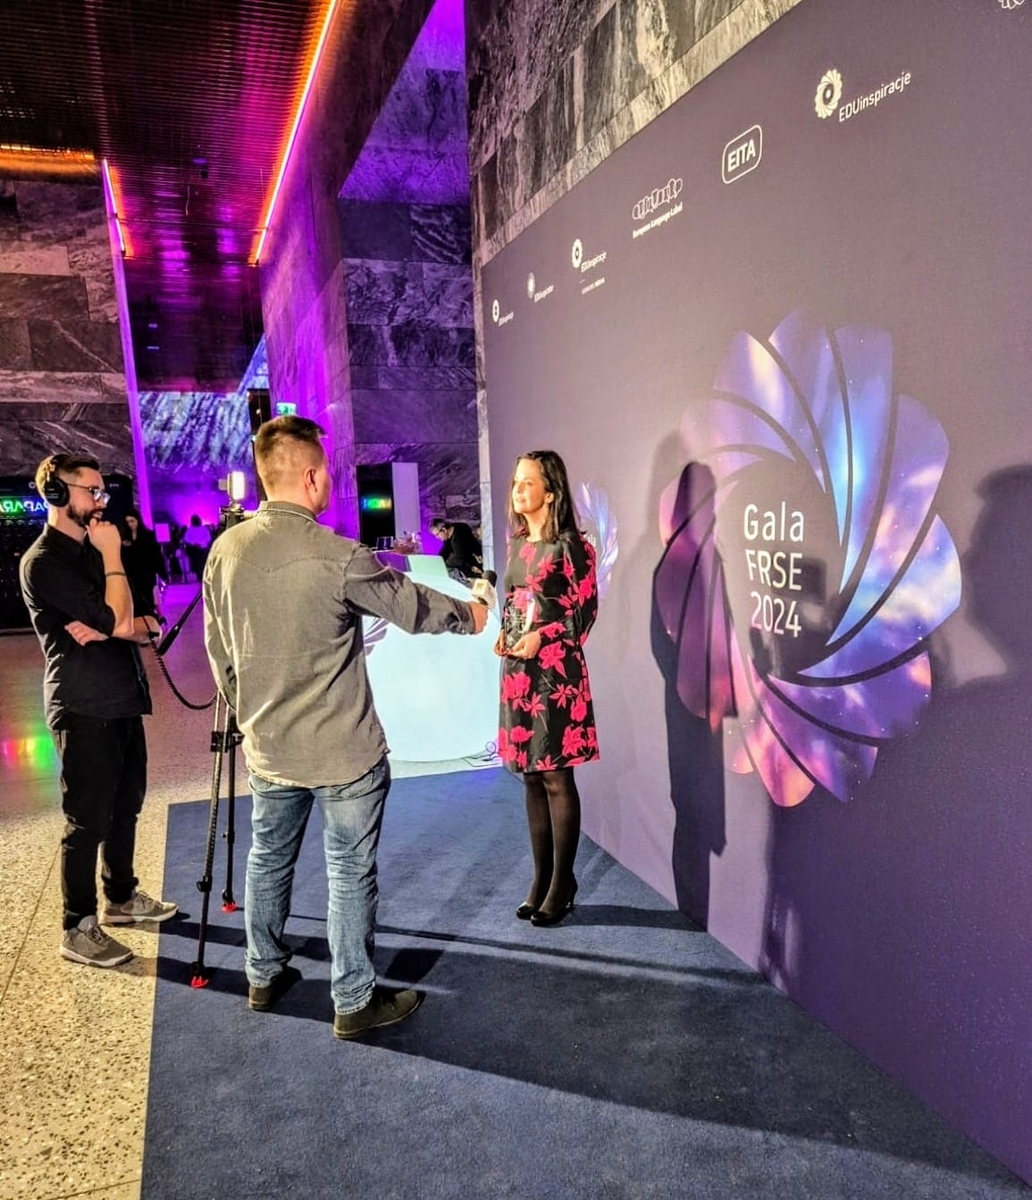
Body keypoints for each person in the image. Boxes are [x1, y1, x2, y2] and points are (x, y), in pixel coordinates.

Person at [202, 415, 489, 1038]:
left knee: (267, 860)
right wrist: (473, 614)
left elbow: (218, 650)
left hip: (269, 749)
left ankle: (263, 974)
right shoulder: (338, 556)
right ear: (311, 477)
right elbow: (411, 604)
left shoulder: (225, 551)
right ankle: (353, 1000)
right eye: (327, 470)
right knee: (349, 872)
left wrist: (249, 713)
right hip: (344, 754)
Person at [19, 453, 179, 970]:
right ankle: (77, 926)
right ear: (57, 493)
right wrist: (116, 594)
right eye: (91, 491)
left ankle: (122, 898)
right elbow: (117, 617)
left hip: (124, 696)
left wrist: (124, 623)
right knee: (87, 820)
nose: (100, 501)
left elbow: (140, 620)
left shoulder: (96, 550)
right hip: (83, 705)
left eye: (101, 491)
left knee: (127, 805)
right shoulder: (44, 562)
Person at [494, 450, 600, 927]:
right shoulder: (517, 543)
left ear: (551, 492)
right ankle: (540, 880)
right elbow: (515, 601)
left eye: (528, 482)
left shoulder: (573, 547)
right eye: (516, 482)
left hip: (556, 675)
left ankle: (563, 882)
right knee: (531, 776)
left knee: (556, 776)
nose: (518, 490)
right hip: (519, 671)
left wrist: (545, 636)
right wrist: (506, 633)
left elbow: (584, 614)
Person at [120, 505, 168, 622]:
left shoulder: (148, 536)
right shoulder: (124, 538)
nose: (130, 524)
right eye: (127, 522)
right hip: (132, 575)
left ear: (137, 520)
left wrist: (162, 573)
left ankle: (153, 619)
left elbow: (156, 555)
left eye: (132, 521)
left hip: (147, 574)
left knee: (150, 597)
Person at [429, 516, 483, 583]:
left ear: (444, 530)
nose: (437, 537)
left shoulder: (458, 537)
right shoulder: (450, 535)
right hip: (469, 569)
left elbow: (459, 560)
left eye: (437, 534)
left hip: (475, 568)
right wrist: (437, 561)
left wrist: (445, 563)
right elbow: (445, 550)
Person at [182, 514, 211, 580]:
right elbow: (208, 538)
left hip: (195, 549)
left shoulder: (190, 530)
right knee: (202, 563)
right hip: (201, 549)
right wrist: (201, 543)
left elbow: (186, 539)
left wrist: (194, 543)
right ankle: (202, 575)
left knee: (197, 563)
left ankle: (199, 575)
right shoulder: (204, 529)